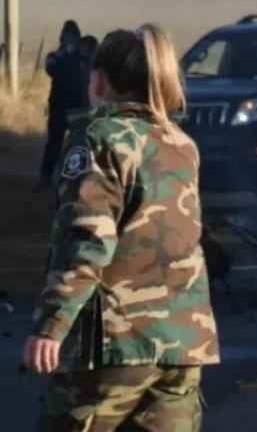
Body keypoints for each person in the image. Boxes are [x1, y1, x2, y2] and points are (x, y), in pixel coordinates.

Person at [24, 25, 219, 430]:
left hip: (116, 344)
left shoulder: (98, 139)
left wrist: (51, 325)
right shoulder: (180, 142)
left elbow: (88, 238)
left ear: (99, 80)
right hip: (183, 343)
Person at [37, 20, 89, 191]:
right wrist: (66, 55)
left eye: (72, 37)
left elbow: (87, 75)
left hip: (78, 107)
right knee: (54, 143)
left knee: (77, 146)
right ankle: (45, 178)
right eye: (66, 36)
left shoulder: (83, 59)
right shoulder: (54, 57)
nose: (69, 40)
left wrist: (73, 56)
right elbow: (52, 70)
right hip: (59, 106)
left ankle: (73, 182)